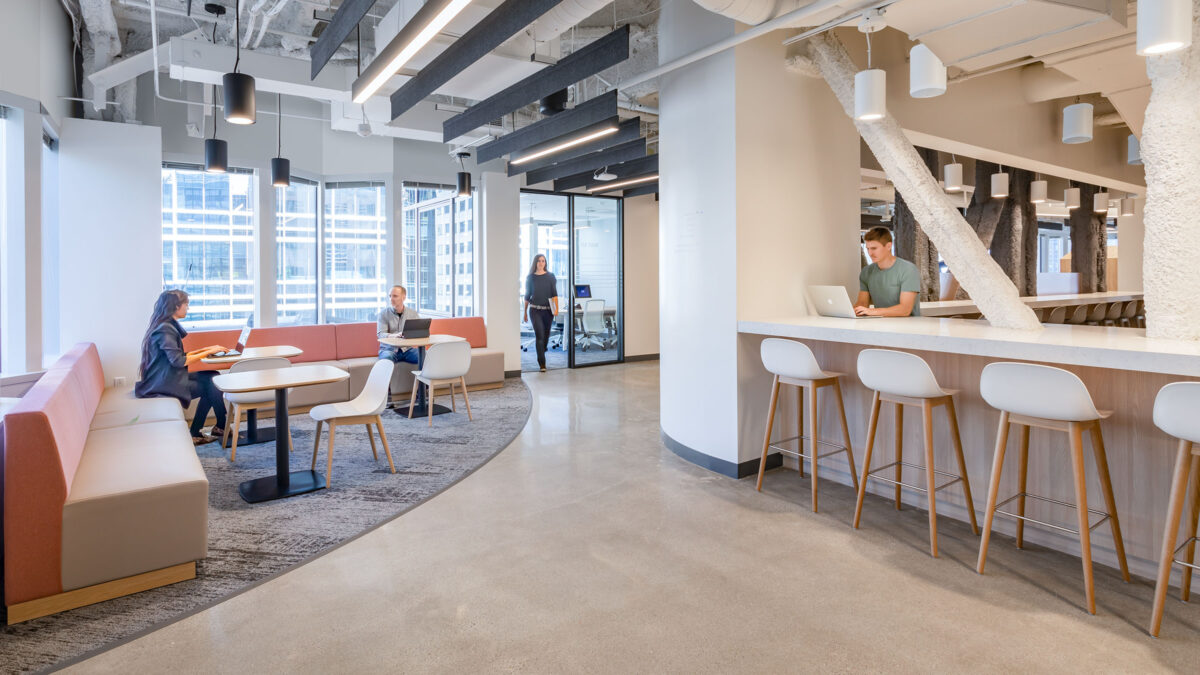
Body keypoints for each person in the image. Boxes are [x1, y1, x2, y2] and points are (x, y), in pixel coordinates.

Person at [134, 289, 230, 445]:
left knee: (213, 376)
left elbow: (179, 355)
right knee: (211, 385)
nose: (188, 308)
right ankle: (214, 427)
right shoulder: (164, 330)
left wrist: (208, 349)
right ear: (176, 306)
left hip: (166, 378)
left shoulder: (165, 325)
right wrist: (209, 351)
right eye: (186, 304)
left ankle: (218, 426)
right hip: (161, 385)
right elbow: (178, 361)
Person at [855, 226, 922, 317]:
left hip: (907, 326)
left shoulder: (908, 270)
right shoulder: (866, 272)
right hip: (880, 324)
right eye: (868, 249)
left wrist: (873, 311)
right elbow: (862, 304)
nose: (870, 253)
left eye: (874, 248)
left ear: (888, 246)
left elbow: (905, 310)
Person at [523, 254, 559, 372]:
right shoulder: (530, 278)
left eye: (543, 261)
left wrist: (556, 309)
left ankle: (541, 350)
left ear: (545, 263)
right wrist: (524, 312)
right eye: (539, 261)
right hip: (535, 310)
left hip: (548, 311)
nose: (541, 263)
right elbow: (527, 296)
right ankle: (542, 364)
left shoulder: (550, 277)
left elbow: (554, 294)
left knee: (546, 336)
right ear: (535, 263)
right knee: (540, 336)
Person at [377, 285, 421, 364]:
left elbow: (419, 332)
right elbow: (380, 334)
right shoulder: (383, 314)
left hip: (407, 350)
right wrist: (394, 335)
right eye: (390, 296)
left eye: (395, 296)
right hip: (389, 350)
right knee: (386, 359)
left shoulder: (413, 314)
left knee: (427, 356)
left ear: (403, 298)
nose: (391, 299)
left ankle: (421, 376)